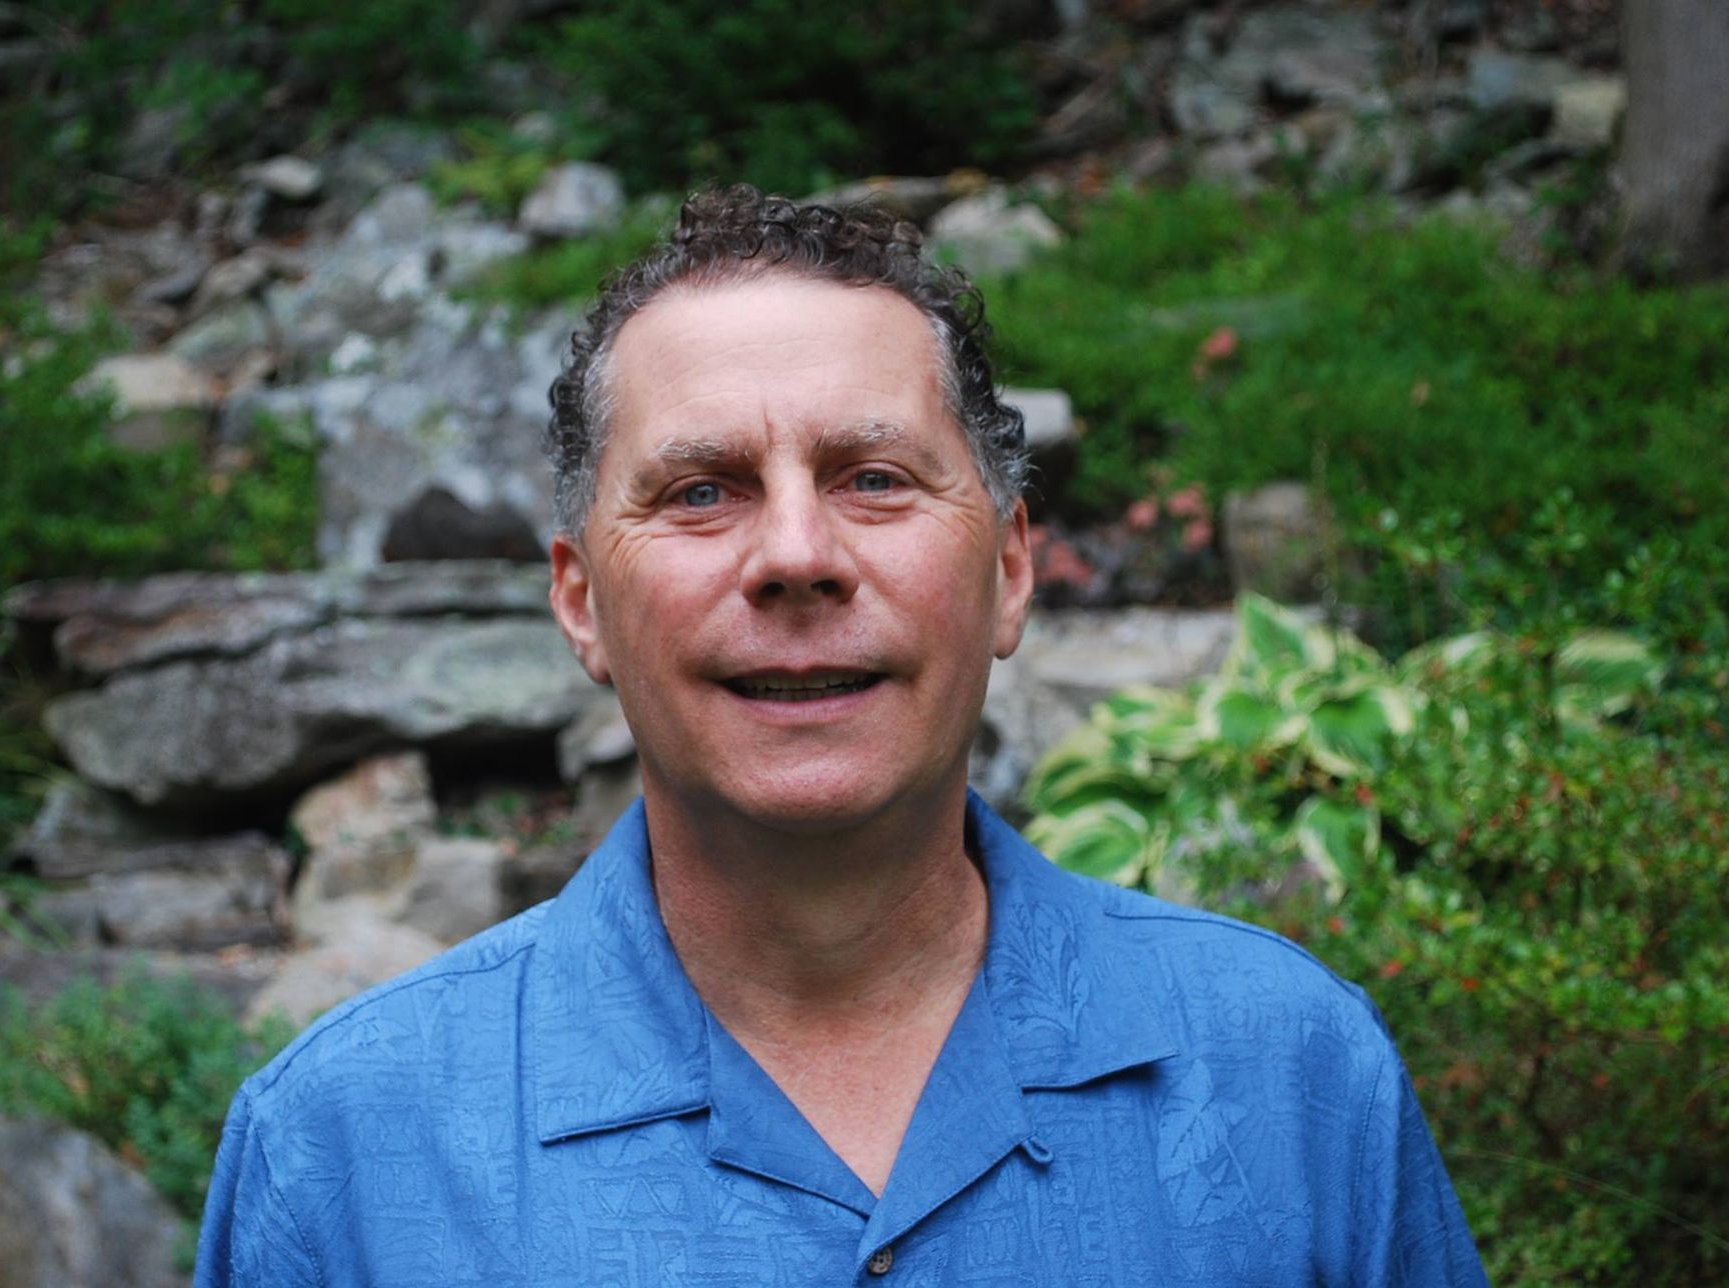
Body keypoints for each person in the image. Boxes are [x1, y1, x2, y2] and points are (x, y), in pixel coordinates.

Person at [195, 187, 1488, 1285]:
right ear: (582, 603)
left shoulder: (1292, 1078)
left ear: (1013, 572)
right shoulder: (349, 1150)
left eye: (874, 478)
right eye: (702, 492)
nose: (798, 556)